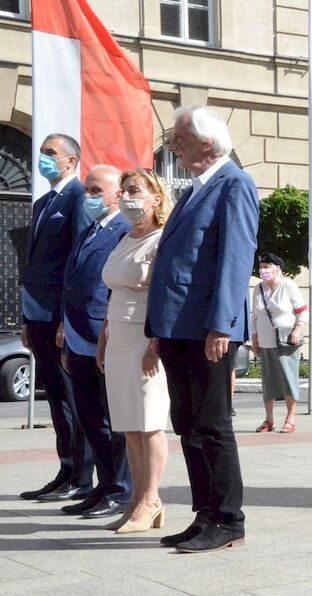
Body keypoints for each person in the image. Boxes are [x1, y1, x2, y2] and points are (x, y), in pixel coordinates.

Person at [146, 106, 258, 553]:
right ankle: (205, 513)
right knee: (188, 422)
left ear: (207, 144)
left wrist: (221, 325)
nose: (172, 144)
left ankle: (228, 519)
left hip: (207, 330)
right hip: (178, 329)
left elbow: (235, 259)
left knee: (212, 425)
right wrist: (159, 327)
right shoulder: (195, 190)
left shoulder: (235, 184)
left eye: (179, 137)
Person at [19, 134, 94, 503]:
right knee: (54, 399)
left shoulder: (78, 198)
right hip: (39, 315)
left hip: (61, 317)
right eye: (41, 153)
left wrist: (68, 318)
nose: (43, 158)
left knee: (70, 398)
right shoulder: (44, 202)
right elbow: (35, 263)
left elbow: (76, 261)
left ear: (71, 161)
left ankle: (81, 476)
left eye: (51, 153)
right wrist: (27, 318)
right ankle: (65, 469)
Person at [99, 168, 173, 533]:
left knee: (150, 423)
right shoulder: (124, 238)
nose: (127, 197)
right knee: (129, 424)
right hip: (118, 335)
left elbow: (166, 294)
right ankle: (136, 501)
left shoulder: (162, 239)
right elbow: (114, 288)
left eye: (135, 190)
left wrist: (156, 343)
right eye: (124, 190)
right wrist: (104, 333)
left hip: (146, 336)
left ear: (155, 197)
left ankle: (152, 498)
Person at [59, 165, 133, 519]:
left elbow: (113, 287)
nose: (87, 195)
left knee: (112, 419)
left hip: (104, 336)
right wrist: (63, 326)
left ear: (116, 195)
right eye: (86, 189)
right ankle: (102, 487)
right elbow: (72, 281)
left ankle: (121, 491)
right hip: (76, 336)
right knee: (89, 419)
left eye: (94, 190)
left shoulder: (124, 230)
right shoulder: (89, 230)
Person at [250, 253, 308, 434]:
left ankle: (290, 418)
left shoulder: (289, 285)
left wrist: (297, 329)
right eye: (262, 267)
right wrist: (254, 338)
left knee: (288, 380)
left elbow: (302, 311)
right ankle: (269, 419)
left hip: (286, 341)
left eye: (267, 267)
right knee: (268, 382)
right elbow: (255, 316)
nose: (263, 270)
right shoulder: (258, 289)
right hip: (265, 342)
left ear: (278, 269)